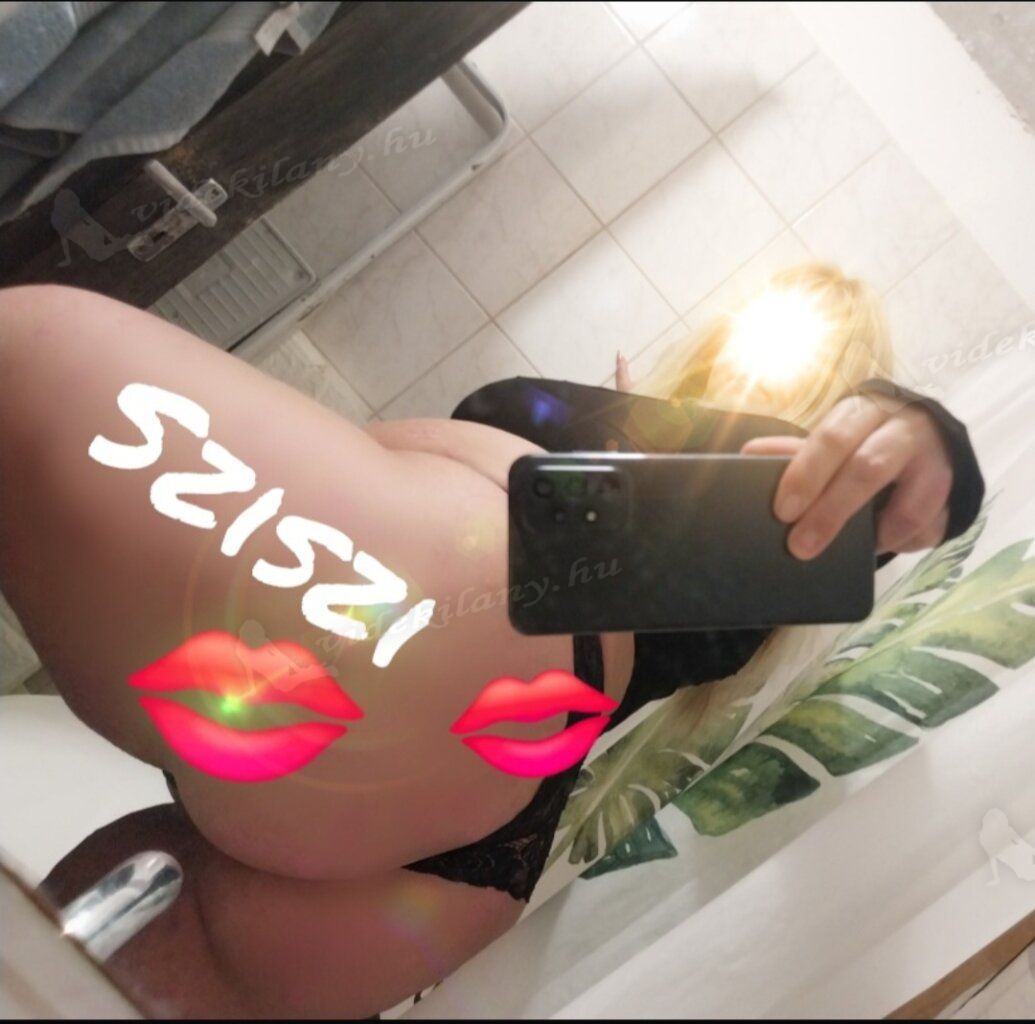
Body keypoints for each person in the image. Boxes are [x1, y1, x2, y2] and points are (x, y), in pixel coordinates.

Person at [0, 267, 980, 1017]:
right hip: (457, 866)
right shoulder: (680, 503)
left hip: (432, 629)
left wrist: (916, 433)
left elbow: (906, 492)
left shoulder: (787, 496)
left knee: (21, 358)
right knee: (49, 977)